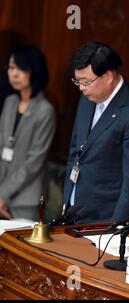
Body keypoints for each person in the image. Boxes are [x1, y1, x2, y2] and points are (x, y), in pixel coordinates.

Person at [63, 42, 129, 224]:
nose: (81, 88)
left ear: (108, 76)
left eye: (85, 81)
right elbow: (75, 152)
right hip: (74, 213)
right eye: (77, 81)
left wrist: (114, 227)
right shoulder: (88, 98)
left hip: (104, 219)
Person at [0, 44, 56, 221]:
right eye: (11, 67)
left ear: (34, 71)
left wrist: (3, 194)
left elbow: (33, 163)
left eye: (20, 68)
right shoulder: (10, 102)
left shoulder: (45, 110)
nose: (14, 74)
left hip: (25, 199)